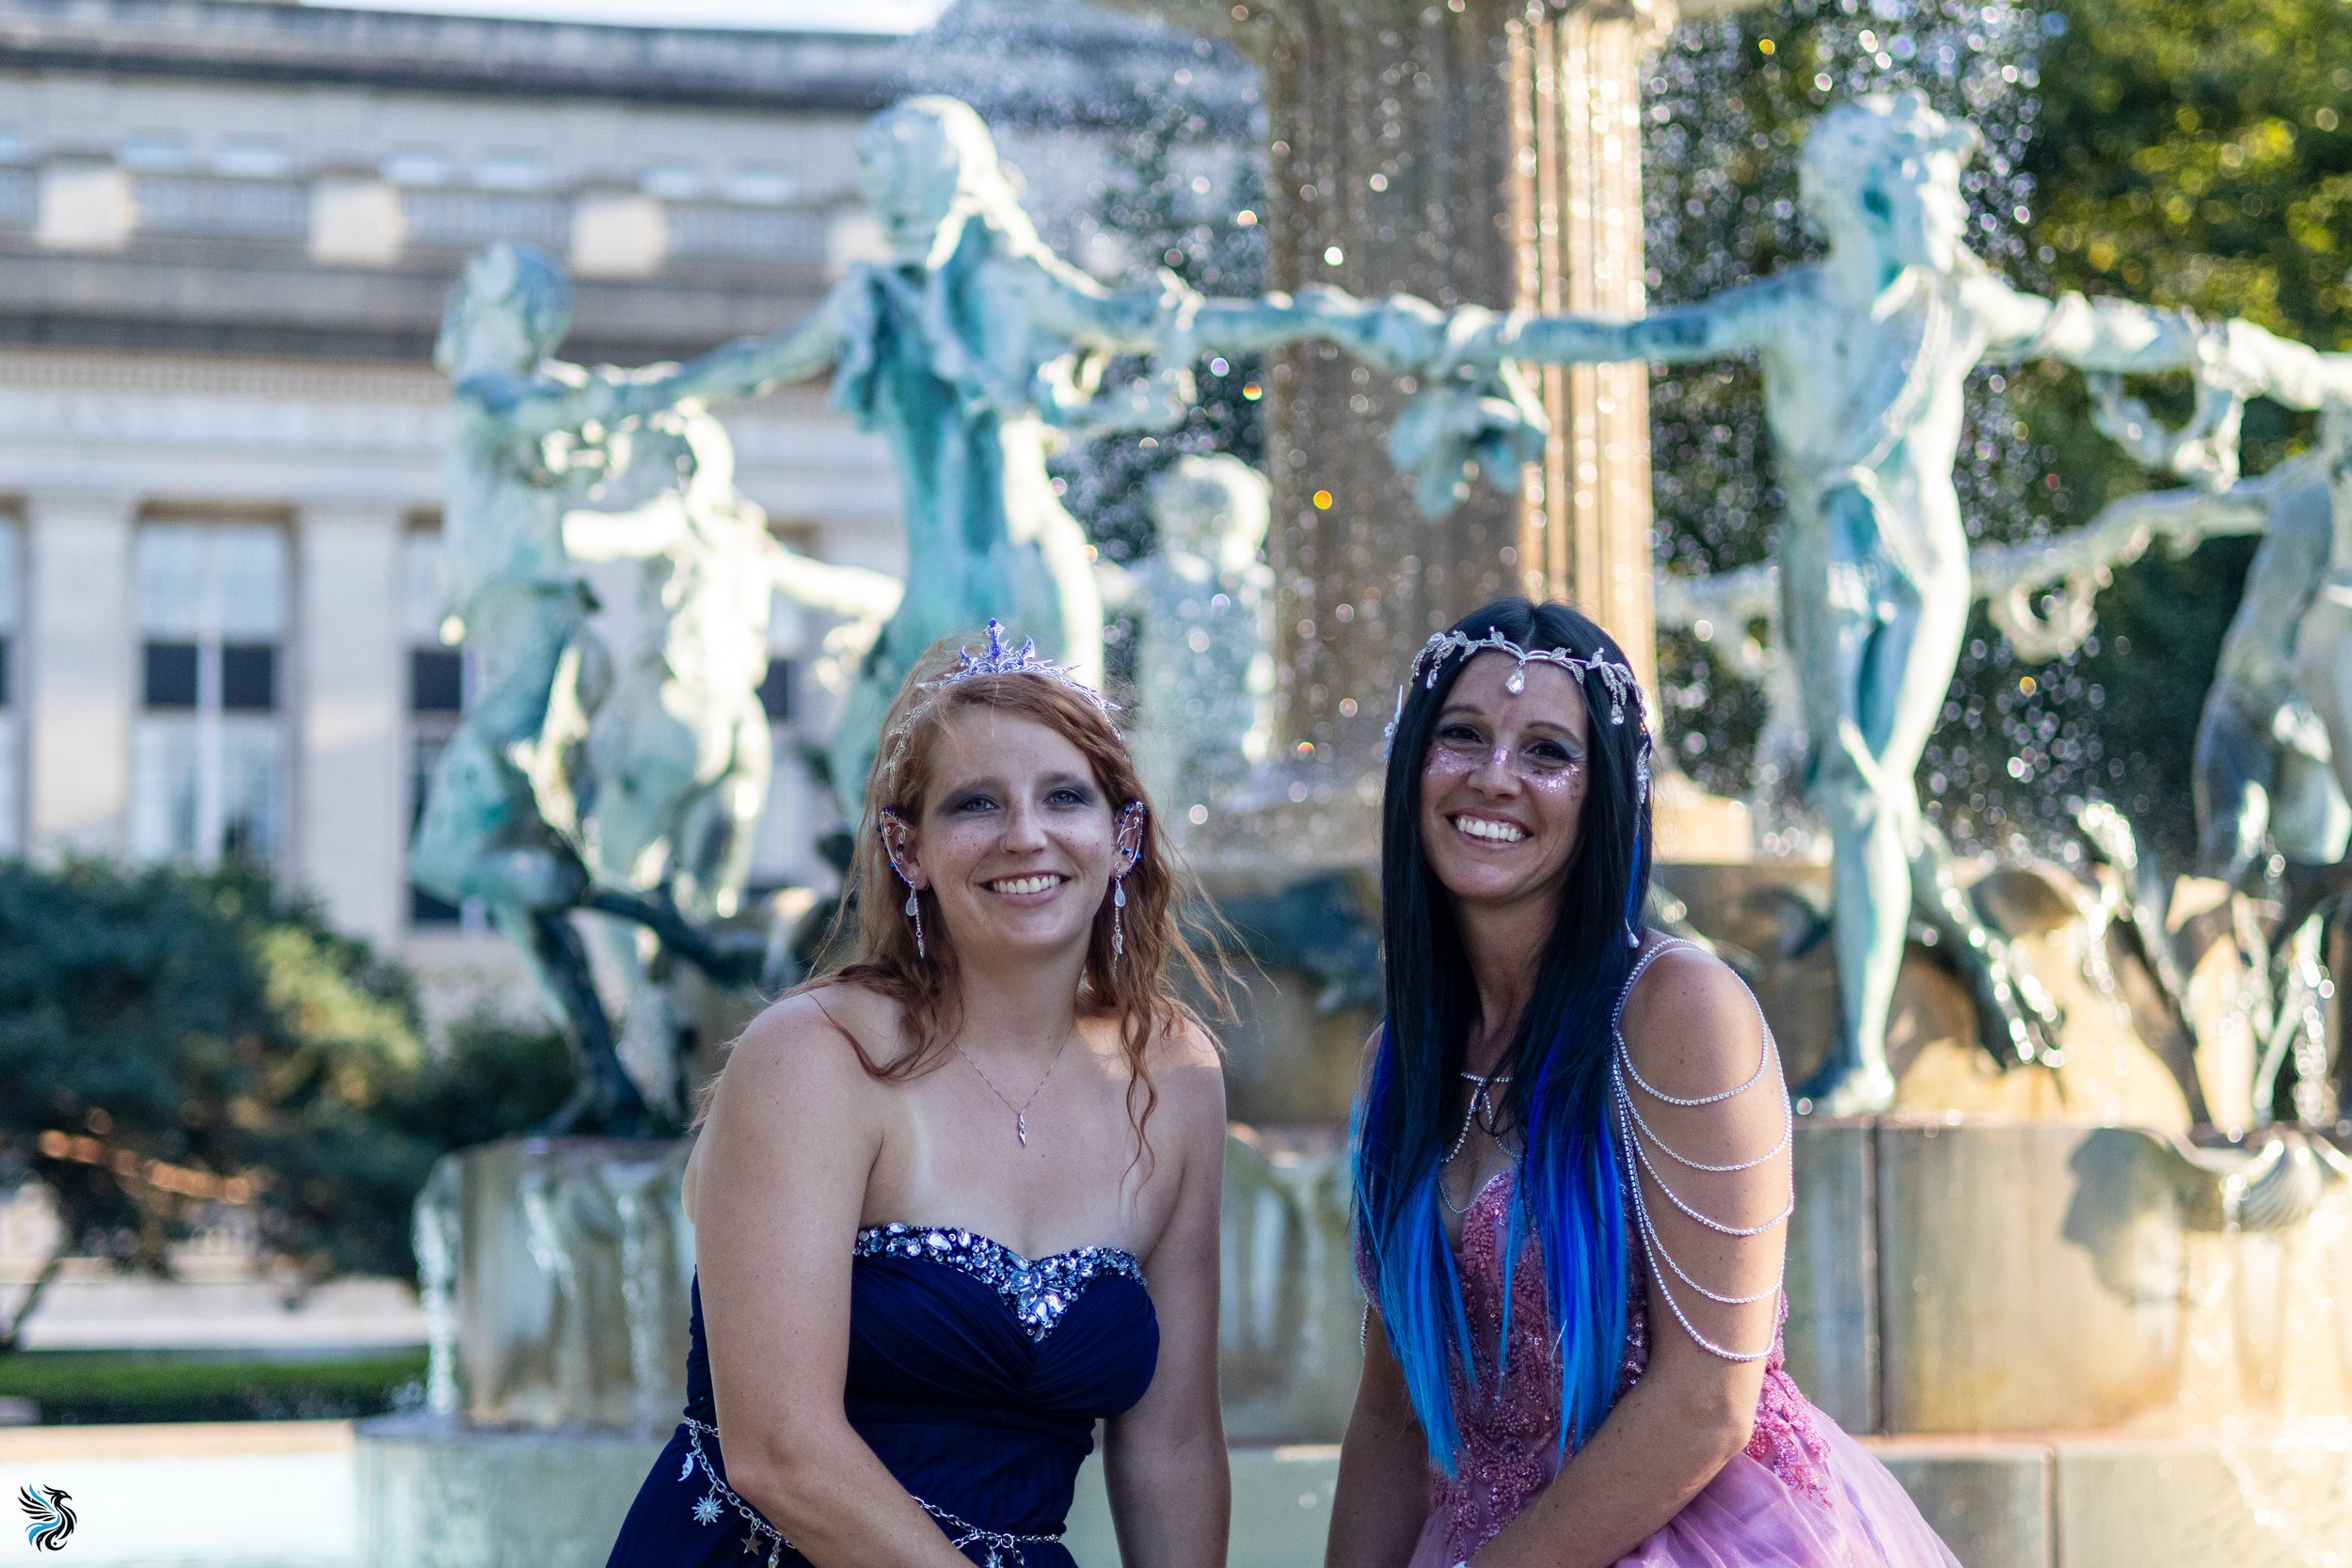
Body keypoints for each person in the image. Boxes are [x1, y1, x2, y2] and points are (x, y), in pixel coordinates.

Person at [1328, 598, 1956, 1568]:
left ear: (1606, 795)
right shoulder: (1399, 1061)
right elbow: (1392, 1414)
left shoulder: (1678, 1011)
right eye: (1462, 735)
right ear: (1412, 761)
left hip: (1702, 1532)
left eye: (1546, 751)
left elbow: (1707, 1401)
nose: (1494, 776)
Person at [606, 621, 1232, 1568]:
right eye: (976, 803)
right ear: (908, 848)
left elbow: (1172, 1445)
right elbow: (780, 1451)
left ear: (1123, 835)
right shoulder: (815, 1056)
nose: (1026, 834)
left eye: (1064, 796)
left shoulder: (1172, 1074)